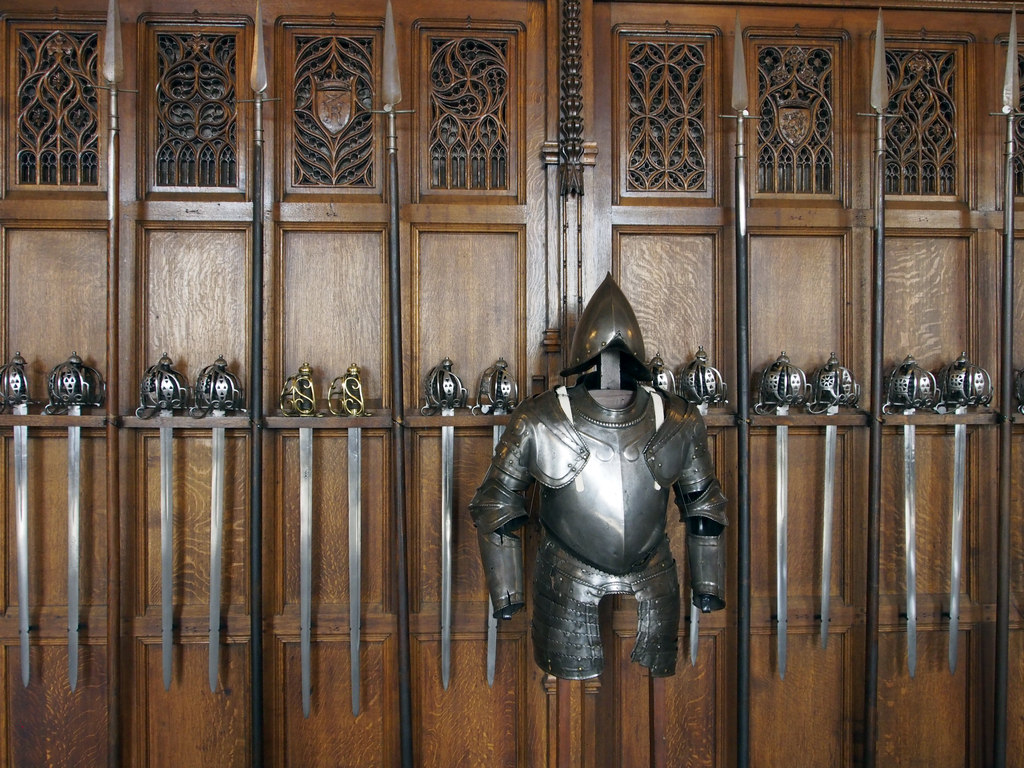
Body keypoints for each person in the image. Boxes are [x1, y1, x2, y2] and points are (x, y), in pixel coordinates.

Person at [469, 274, 727, 679]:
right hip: (566, 576)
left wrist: (708, 584)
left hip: (654, 572)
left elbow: (705, 504)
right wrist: (507, 593)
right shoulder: (541, 417)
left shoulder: (677, 417)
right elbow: (495, 503)